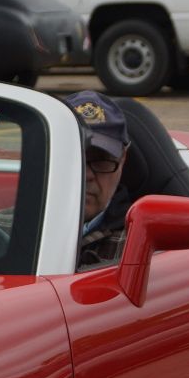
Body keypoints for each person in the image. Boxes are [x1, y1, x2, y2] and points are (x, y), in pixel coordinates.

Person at [64, 90, 133, 269]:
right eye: (74, 156)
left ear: (123, 159)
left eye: (101, 159)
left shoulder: (137, 249)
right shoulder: (5, 228)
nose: (86, 175)